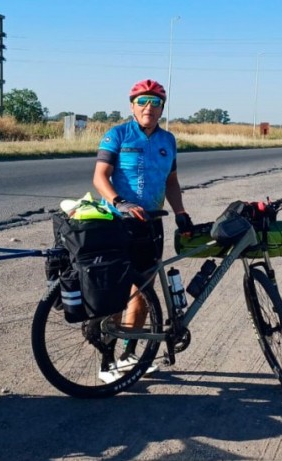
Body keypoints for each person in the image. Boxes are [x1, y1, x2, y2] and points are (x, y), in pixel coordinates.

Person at [92, 78, 193, 383]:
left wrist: (181, 213)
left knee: (143, 291)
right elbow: (100, 177)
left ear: (162, 108)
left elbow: (171, 183)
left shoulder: (168, 141)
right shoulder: (117, 135)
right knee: (115, 291)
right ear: (132, 105)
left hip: (151, 224)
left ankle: (127, 354)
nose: (149, 107)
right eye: (143, 101)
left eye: (156, 102)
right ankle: (107, 362)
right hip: (117, 222)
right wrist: (119, 202)